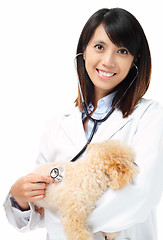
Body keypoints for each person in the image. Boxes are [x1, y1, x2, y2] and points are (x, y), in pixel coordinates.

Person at [4, 7, 163, 240]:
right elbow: (40, 207)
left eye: (122, 50)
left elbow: (141, 195)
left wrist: (69, 214)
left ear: (135, 59)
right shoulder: (56, 124)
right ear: (84, 51)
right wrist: (20, 199)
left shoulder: (150, 116)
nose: (108, 61)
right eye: (99, 47)